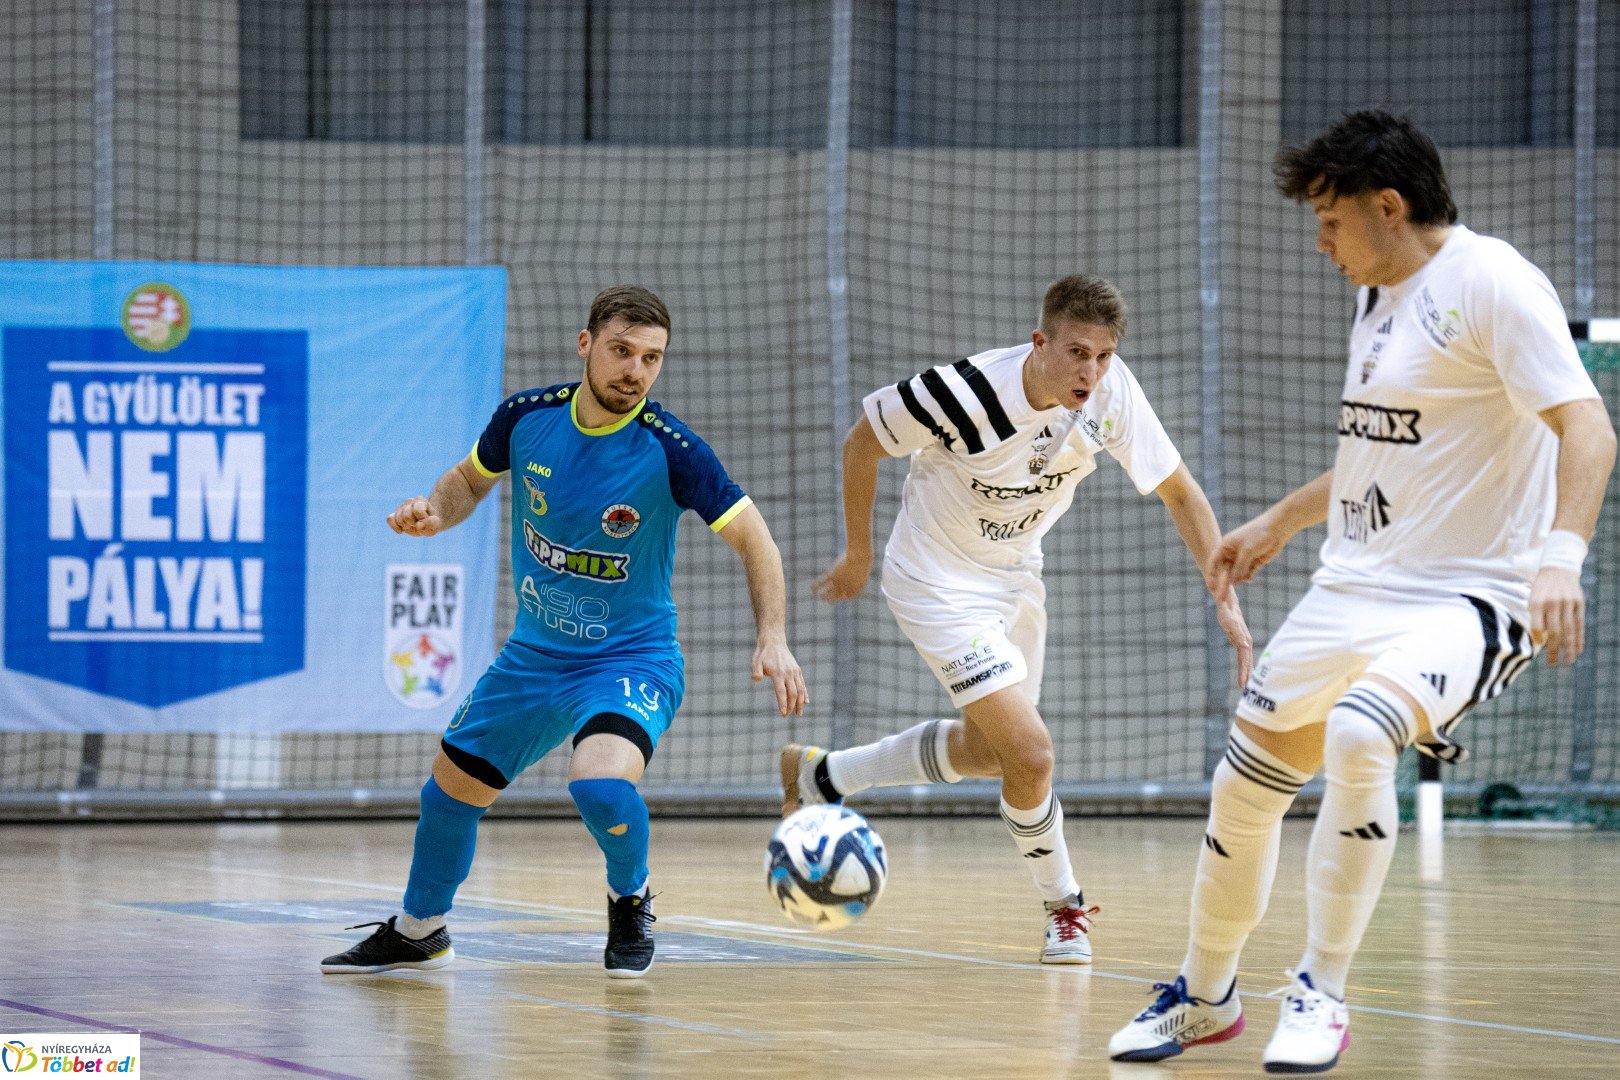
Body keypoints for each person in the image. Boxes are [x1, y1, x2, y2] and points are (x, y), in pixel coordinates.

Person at [1109, 110, 1616, 1072]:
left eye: (1330, 219)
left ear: (1388, 206)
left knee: (1356, 732)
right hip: (1354, 585)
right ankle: (1205, 997)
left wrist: (1563, 557)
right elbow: (1381, 454)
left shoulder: (1495, 283)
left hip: (1477, 594)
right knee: (1242, 785)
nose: (1321, 242)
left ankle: (1322, 988)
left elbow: (1589, 428)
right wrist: (1281, 520)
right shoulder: (1378, 296)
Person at [322, 285, 808, 979]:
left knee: (600, 785)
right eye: (621, 351)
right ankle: (420, 930)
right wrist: (435, 510)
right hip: (534, 657)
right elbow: (468, 479)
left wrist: (774, 636)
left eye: (651, 358)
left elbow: (757, 540)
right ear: (585, 344)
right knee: (448, 795)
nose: (634, 371)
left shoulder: (671, 449)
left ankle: (629, 897)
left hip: (629, 659)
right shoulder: (527, 418)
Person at [783, 273, 1252, 964]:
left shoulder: (1111, 394)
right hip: (935, 579)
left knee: (993, 755)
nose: (1091, 371)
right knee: (1032, 753)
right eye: (1077, 353)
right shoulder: (963, 392)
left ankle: (824, 777)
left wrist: (1226, 600)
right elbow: (862, 444)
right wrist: (857, 555)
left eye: (1104, 356)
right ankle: (1065, 908)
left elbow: (1181, 494)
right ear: (1040, 342)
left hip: (1016, 579)